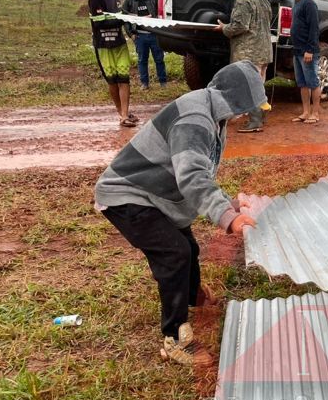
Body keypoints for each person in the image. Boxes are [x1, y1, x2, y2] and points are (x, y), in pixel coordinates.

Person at [94, 62, 266, 365]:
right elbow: (192, 177)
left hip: (156, 196)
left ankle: (192, 297)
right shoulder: (194, 120)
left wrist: (227, 204)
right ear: (233, 100)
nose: (244, 114)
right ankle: (175, 338)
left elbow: (199, 170)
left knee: (188, 246)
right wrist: (228, 218)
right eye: (245, 108)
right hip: (128, 196)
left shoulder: (213, 115)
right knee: (174, 254)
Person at [215, 0, 274, 133]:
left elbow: (240, 26)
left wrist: (224, 28)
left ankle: (255, 121)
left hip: (249, 52)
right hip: (264, 50)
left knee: (249, 86)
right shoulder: (264, 1)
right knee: (259, 85)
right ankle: (261, 115)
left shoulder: (242, 2)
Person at [88, 0, 137, 127]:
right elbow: (100, 23)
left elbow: (119, 15)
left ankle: (125, 114)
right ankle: (121, 113)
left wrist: (132, 19)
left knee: (124, 79)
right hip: (103, 46)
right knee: (112, 81)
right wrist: (124, 19)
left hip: (119, 43)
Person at [121, 0, 168, 90]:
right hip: (139, 36)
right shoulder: (128, 0)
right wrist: (131, 34)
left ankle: (163, 82)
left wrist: (161, 31)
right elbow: (125, 19)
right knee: (142, 60)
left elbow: (162, 14)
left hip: (154, 35)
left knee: (159, 59)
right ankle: (144, 83)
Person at [286, 0, 321, 123]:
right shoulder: (296, 2)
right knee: (302, 83)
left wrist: (310, 50)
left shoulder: (309, 3)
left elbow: (314, 28)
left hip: (307, 51)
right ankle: (306, 112)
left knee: (312, 82)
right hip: (297, 50)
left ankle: (315, 113)